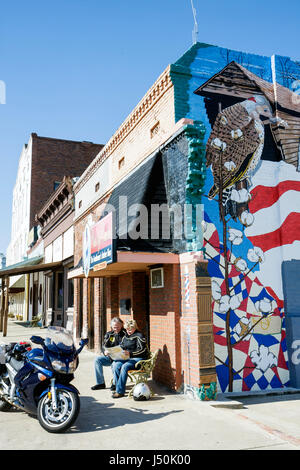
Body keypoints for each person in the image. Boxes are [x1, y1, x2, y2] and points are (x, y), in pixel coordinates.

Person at [112, 319, 149, 398]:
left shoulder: (139, 336)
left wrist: (130, 353)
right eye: (127, 329)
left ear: (135, 328)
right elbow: (121, 346)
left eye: (130, 329)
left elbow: (143, 350)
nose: (128, 331)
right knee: (116, 365)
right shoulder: (126, 336)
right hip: (127, 358)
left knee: (125, 366)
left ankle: (120, 391)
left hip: (138, 359)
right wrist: (114, 351)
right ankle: (118, 387)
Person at [91, 317, 126, 390]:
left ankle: (115, 383)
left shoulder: (125, 334)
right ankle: (100, 383)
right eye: (114, 327)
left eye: (117, 327)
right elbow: (104, 346)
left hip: (120, 358)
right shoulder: (109, 334)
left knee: (115, 365)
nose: (116, 329)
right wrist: (105, 351)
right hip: (110, 357)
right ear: (111, 326)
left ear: (121, 325)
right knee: (97, 360)